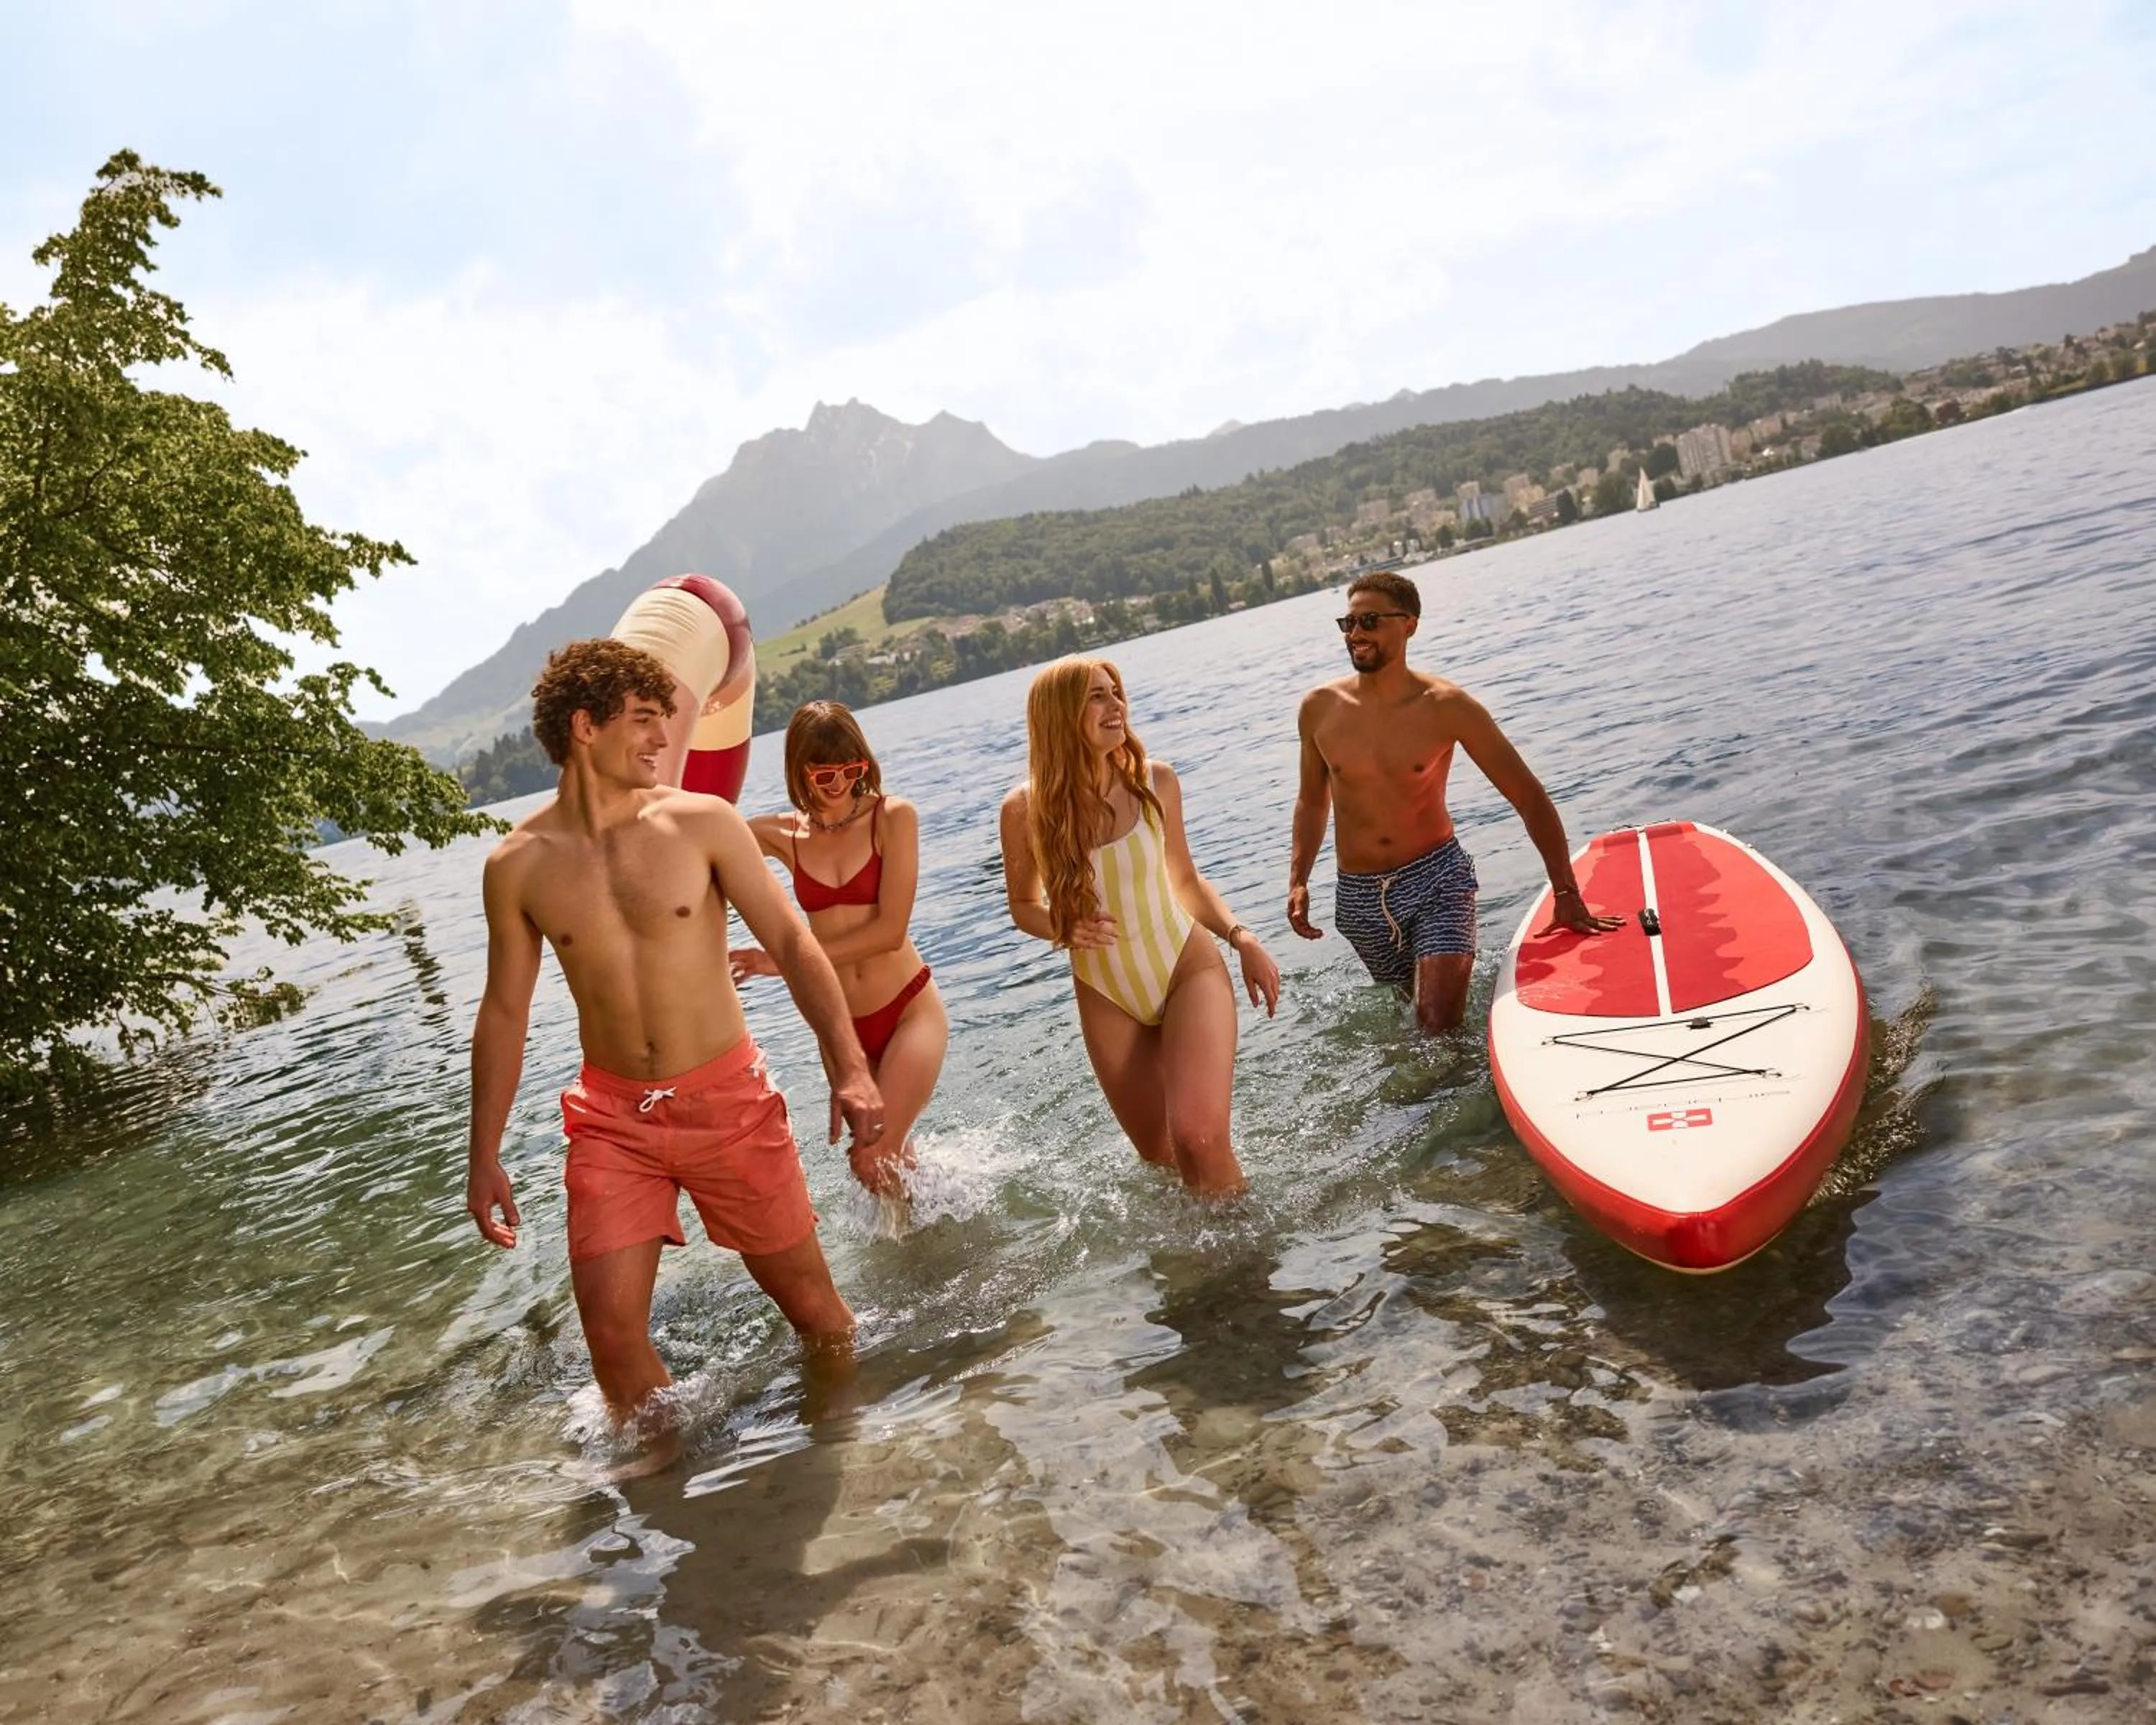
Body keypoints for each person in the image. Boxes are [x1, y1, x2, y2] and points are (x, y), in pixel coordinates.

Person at [464, 638, 885, 1443]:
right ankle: (683, 1520)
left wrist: (850, 1068)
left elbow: (795, 947)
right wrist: (483, 1153)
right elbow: (504, 1014)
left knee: (817, 1315)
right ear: (585, 727)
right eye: (646, 720)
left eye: (666, 721)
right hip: (612, 1120)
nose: (664, 738)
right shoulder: (517, 865)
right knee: (614, 1344)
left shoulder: (704, 824)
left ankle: (850, 1455)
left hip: (727, 1103)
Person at [1287, 569, 1622, 1035]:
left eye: (1369, 621)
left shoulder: (1447, 706)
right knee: (1416, 1024)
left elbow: (1527, 795)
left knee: (1436, 1025)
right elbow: (1311, 801)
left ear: (1409, 624)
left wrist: (1565, 891)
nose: (1356, 633)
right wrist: (1299, 879)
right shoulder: (1319, 709)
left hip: (1437, 880)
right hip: (1359, 898)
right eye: (1348, 623)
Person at [1000, 657, 1281, 1198]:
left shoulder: (1157, 781)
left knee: (1199, 1137)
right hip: (1107, 992)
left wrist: (1242, 937)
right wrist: (1062, 924)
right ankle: (1206, 1270)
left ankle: (1252, 1273)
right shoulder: (1024, 809)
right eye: (1097, 698)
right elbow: (1022, 906)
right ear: (1061, 717)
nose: (1116, 707)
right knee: (1161, 1155)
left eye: (1116, 693)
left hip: (1185, 967)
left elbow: (1188, 882)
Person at [734, 702, 948, 1197]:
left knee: (872, 1159)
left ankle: (946, 1232)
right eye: (824, 774)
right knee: (885, 1175)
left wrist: (781, 961)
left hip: (908, 1012)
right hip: (842, 1029)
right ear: (799, 771)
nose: (840, 786)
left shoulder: (892, 817)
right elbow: (704, 839)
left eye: (852, 771)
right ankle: (939, 1235)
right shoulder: (781, 835)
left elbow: (889, 932)